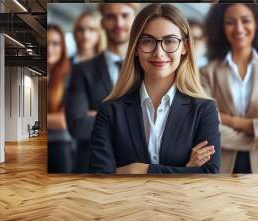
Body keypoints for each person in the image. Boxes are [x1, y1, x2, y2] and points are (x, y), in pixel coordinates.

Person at [89, 3, 221, 174]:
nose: (159, 52)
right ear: (136, 48)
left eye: (170, 41)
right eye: (148, 41)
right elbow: (99, 177)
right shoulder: (109, 111)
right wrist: (185, 170)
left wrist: (140, 170)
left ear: (185, 48)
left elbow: (209, 173)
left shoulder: (204, 110)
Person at [65, 3, 140, 172]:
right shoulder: (82, 71)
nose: (119, 23)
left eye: (125, 16)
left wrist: (100, 114)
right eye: (111, 17)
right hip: (92, 167)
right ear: (102, 22)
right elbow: (77, 126)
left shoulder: (149, 67)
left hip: (138, 169)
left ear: (135, 19)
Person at [200, 3, 258, 173]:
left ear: (256, 24)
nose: (239, 28)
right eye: (230, 22)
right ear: (222, 28)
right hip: (221, 160)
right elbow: (207, 124)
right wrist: (257, 134)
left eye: (245, 20)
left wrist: (229, 120)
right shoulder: (207, 73)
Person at [47, 25, 74, 173]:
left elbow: (63, 121)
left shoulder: (69, 76)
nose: (50, 48)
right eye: (47, 43)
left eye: (55, 43)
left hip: (61, 146)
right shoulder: (45, 77)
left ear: (62, 47)